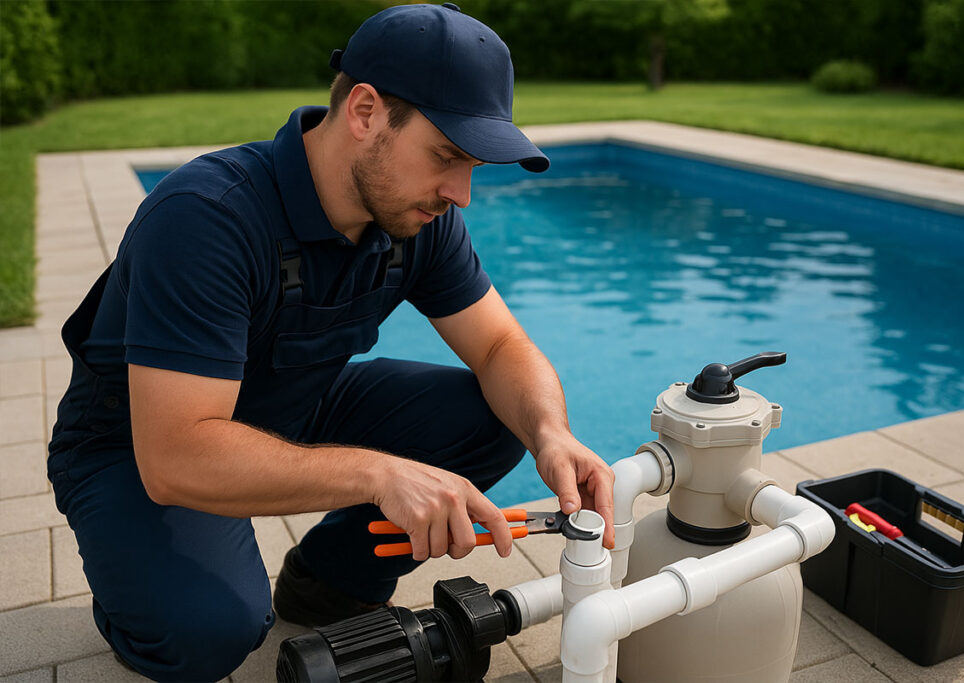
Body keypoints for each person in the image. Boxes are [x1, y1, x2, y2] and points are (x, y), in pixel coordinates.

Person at [46, 3, 614, 681]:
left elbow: (500, 347)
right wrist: (381, 475)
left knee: (499, 417)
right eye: (446, 156)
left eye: (472, 165)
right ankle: (136, 593)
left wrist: (551, 433)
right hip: (139, 443)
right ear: (365, 112)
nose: (460, 193)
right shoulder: (206, 217)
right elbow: (174, 455)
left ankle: (327, 582)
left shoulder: (417, 217)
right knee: (209, 629)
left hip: (295, 401)